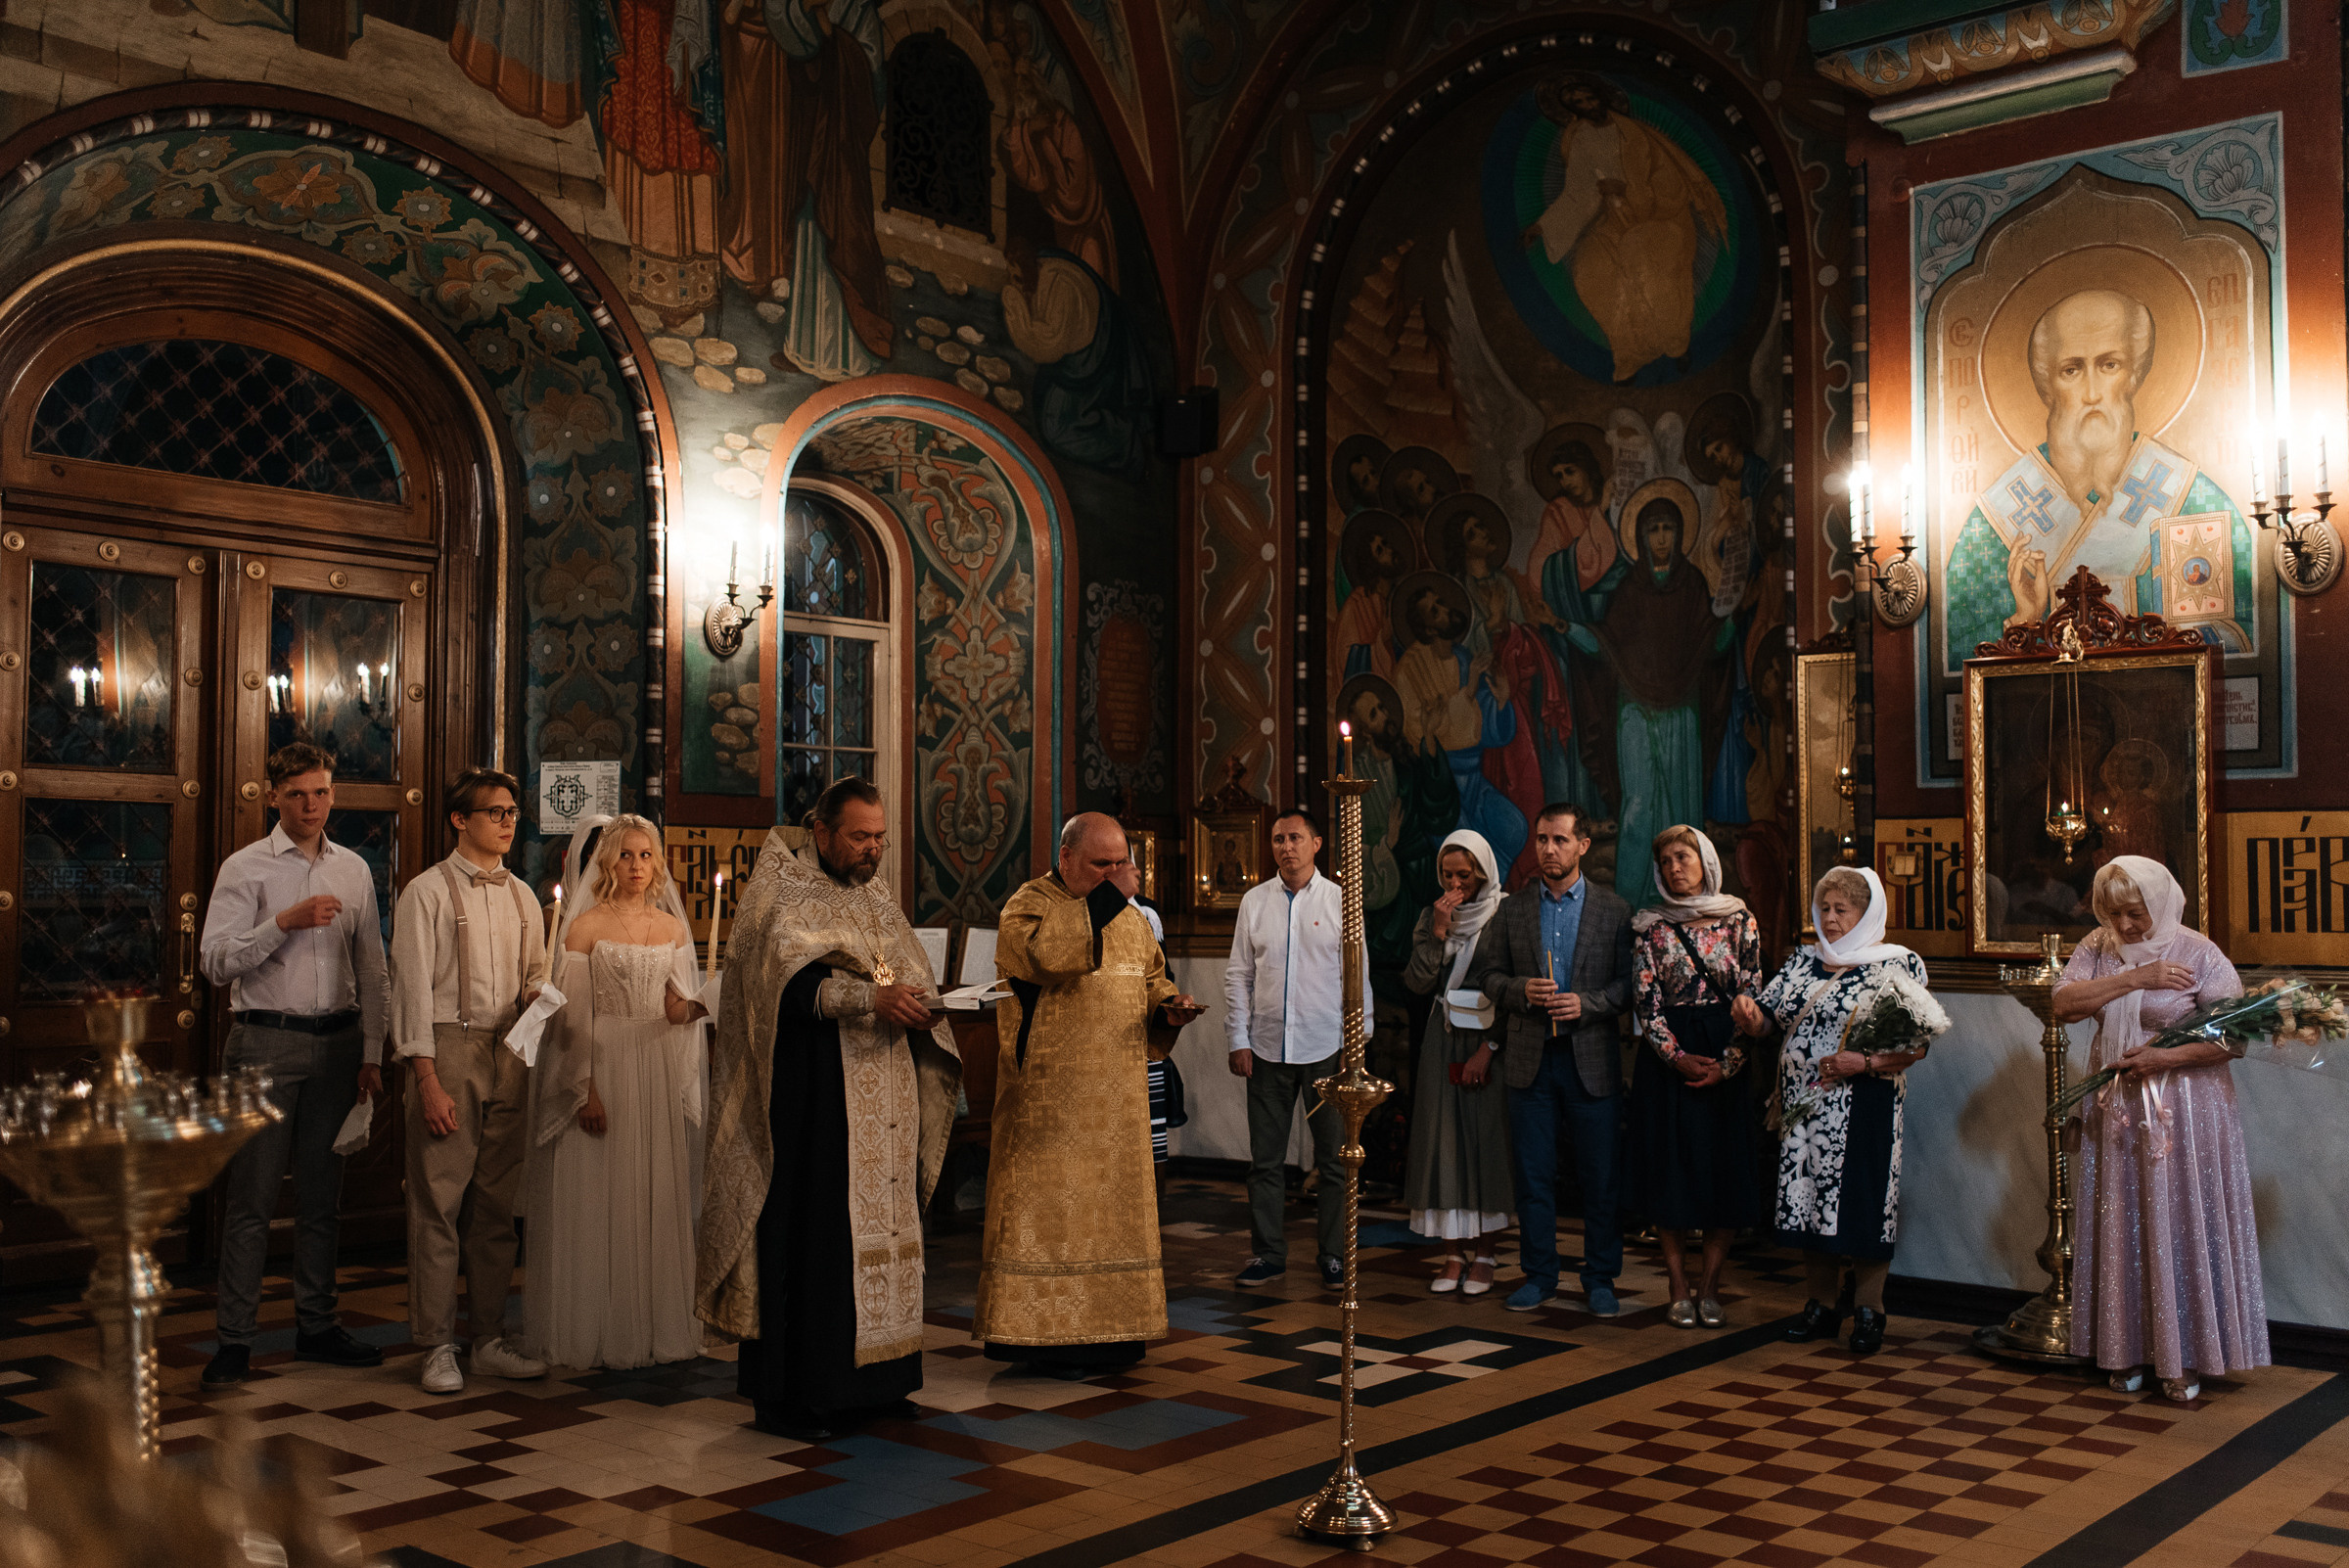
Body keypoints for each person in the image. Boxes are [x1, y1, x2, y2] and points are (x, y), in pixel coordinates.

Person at [696, 778, 960, 1441]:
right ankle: (799, 1395)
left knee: (887, 1240)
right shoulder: (780, 890)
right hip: (811, 1104)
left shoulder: (874, 894)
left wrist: (922, 1002)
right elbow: (772, 989)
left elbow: (902, 970)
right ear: (821, 832)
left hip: (885, 1095)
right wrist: (865, 1001)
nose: (872, 851)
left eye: (880, 838)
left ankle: (881, 1382)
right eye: (859, 837)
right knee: (815, 1244)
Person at [976, 813, 1204, 1377]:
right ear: (1066, 857)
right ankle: (1037, 1339)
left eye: (1121, 863)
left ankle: (1115, 1336)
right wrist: (1107, 901)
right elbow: (1049, 960)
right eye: (1103, 865)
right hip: (1049, 1107)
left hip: (1119, 1107)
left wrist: (1169, 1006)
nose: (1116, 875)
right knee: (1052, 1223)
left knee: (1113, 1220)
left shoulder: (1131, 919)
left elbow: (1152, 978)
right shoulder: (1028, 906)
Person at [196, 742, 389, 1389]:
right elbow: (215, 961)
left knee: (320, 1200)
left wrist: (371, 1053)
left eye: (322, 792)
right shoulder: (246, 867)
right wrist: (283, 921)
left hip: (337, 1046)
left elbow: (372, 967)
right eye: (299, 793)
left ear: (332, 795)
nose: (312, 804)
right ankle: (234, 1342)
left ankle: (316, 1326)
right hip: (264, 1043)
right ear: (274, 796)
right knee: (250, 1200)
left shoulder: (355, 870)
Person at [2053, 856, 2268, 1403]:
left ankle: (2184, 1360)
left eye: (2135, 913)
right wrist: (2136, 976)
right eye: (2113, 913)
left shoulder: (2199, 952)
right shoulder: (2097, 949)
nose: (2125, 926)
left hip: (2185, 1113)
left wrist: (2164, 1059)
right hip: (2119, 1107)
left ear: (2162, 903)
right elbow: (2063, 1005)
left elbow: (2233, 1039)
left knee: (2179, 1222)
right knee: (2124, 1223)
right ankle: (2124, 1349)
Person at [523, 814, 708, 1371]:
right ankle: (592, 1327)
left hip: (652, 1065)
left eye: (645, 856)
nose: (635, 866)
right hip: (603, 1062)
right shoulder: (584, 927)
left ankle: (649, 1327)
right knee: (599, 1194)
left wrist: (705, 1003)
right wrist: (586, 1090)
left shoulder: (673, 930)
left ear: (658, 863)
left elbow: (674, 1009)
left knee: (650, 1189)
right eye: (625, 856)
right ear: (608, 862)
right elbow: (573, 1022)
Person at [390, 767, 551, 1395]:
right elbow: (409, 992)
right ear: (461, 820)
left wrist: (538, 993)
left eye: (513, 812)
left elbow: (535, 970)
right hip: (448, 1047)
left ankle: (486, 1340)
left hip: (511, 1047)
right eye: (496, 813)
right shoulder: (425, 894)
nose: (509, 822)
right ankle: (435, 1344)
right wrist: (426, 1079)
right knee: (437, 1203)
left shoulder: (523, 896)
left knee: (495, 1208)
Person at [1733, 867, 1933, 1356]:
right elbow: (1769, 1019)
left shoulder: (1897, 965)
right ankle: (1820, 1305)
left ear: (1867, 914)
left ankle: (1869, 1308)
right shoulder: (1804, 961)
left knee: (1864, 1201)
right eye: (1825, 908)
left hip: (1867, 1102)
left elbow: (1917, 1045)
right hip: (1804, 1107)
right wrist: (1748, 1014)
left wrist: (1861, 1061)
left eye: (1842, 909)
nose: (1830, 918)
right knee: (1806, 1200)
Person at [1468, 803, 1634, 1314]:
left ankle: (1600, 1277)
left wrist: (1589, 1004)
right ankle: (1539, 1274)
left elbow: (1629, 986)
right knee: (1533, 1176)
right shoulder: (1514, 909)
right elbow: (1489, 976)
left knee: (1599, 1177)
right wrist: (1521, 990)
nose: (1548, 849)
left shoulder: (1614, 911)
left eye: (1559, 840)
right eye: (1541, 839)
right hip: (1529, 1061)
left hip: (1591, 1060)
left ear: (1583, 845)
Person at [1225, 808, 1370, 1290]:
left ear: (1317, 843)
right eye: (1278, 839)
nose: (1286, 847)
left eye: (1295, 838)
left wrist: (1358, 1042)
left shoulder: (1340, 900)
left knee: (1333, 1159)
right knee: (1265, 1162)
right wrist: (1237, 1038)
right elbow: (1239, 975)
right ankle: (1268, 1253)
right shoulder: (1254, 901)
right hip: (1266, 1048)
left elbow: (1358, 974)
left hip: (1327, 1045)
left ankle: (1332, 1256)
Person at [1630, 825, 1764, 1328]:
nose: (1673, 868)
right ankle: (1677, 1284)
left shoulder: (1739, 919)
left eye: (1682, 857)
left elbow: (1753, 995)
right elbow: (1647, 1002)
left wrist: (1728, 1064)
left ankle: (1710, 1287)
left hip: (1725, 1052)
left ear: (1705, 860)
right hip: (1670, 1061)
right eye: (1664, 862)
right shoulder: (1650, 927)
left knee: (1722, 1173)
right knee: (1672, 1173)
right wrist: (1678, 1058)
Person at [1401, 830, 1511, 1296]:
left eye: (1464, 876)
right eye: (1447, 875)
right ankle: (1452, 1254)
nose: (1454, 885)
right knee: (1441, 1140)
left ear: (1483, 873)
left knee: (1483, 1142)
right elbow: (1417, 982)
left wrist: (1490, 1047)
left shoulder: (1504, 914)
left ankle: (1485, 1255)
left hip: (1487, 1039)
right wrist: (1440, 935)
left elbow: (1512, 984)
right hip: (1442, 1038)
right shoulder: (1432, 916)